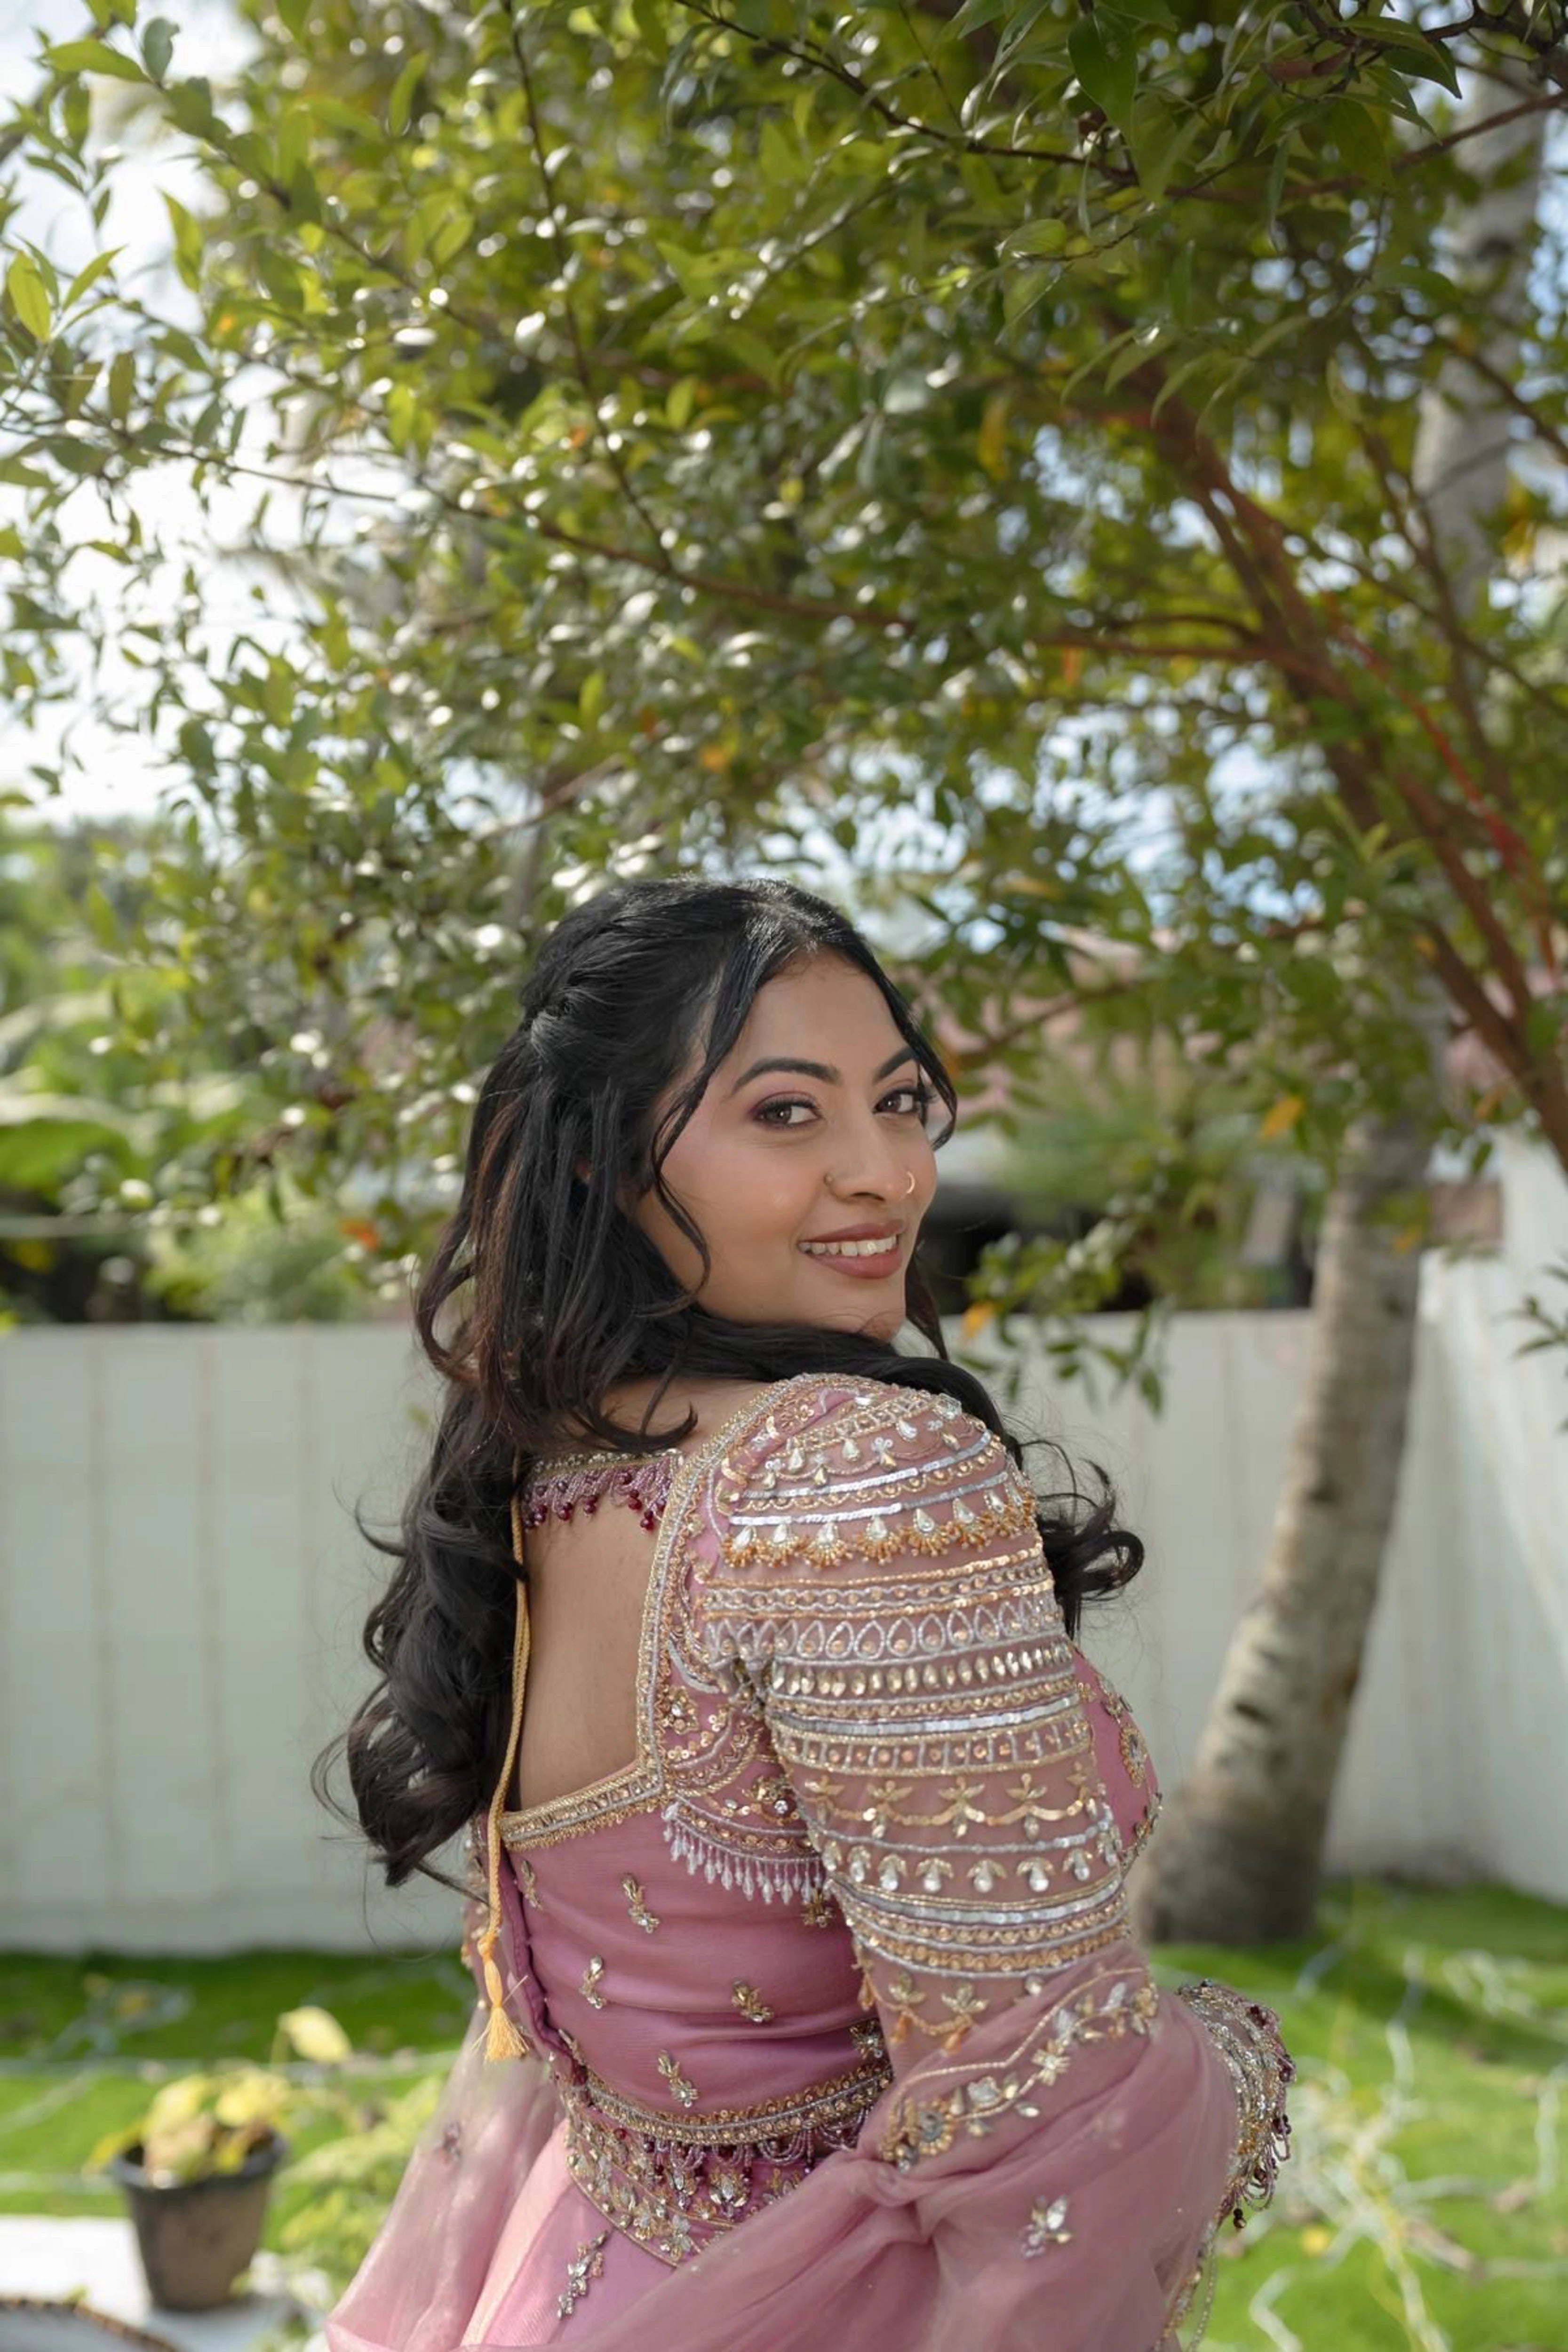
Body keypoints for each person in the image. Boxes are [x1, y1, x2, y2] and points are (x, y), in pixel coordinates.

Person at [318, 876, 1292, 2352]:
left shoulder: (553, 1471)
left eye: (900, 1103)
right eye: (787, 1114)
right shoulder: (849, 1473)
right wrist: (1240, 2063)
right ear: (601, 1165)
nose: (888, 1173)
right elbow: (1047, 2116)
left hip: (588, 2278)